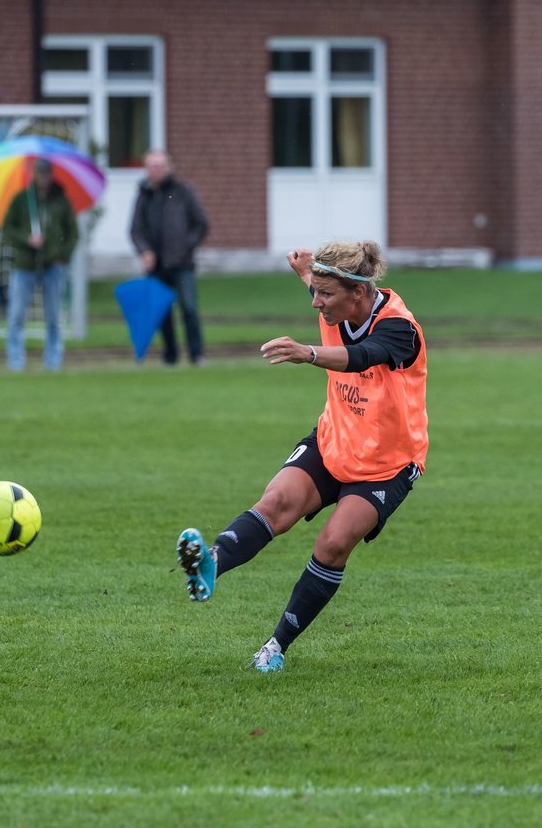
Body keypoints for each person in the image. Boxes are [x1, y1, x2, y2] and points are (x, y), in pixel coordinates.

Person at [175, 240, 428, 673]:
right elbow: (320, 280)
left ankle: (275, 647)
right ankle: (210, 565)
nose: (316, 302)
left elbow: (363, 355)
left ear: (359, 292)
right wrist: (305, 270)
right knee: (275, 504)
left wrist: (308, 353)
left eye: (325, 295)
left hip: (387, 465)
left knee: (332, 545)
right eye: (314, 291)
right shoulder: (338, 298)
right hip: (333, 441)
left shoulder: (400, 328)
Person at [129, 149, 210, 366]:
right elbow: (136, 230)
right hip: (156, 265)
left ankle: (196, 354)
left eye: (159, 166)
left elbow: (201, 224)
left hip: (182, 262)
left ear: (168, 168)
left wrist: (185, 246)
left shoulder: (183, 191)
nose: (155, 171)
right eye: (151, 167)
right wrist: (145, 251)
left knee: (189, 308)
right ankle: (170, 355)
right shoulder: (144, 194)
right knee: (162, 312)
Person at [2, 159, 77, 372]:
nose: (43, 177)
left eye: (47, 173)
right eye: (40, 173)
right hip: (24, 266)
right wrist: (27, 239)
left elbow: (73, 234)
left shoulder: (61, 201)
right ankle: (16, 361)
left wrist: (62, 255)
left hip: (52, 266)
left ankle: (53, 361)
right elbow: (8, 229)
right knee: (16, 315)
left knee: (53, 316)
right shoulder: (21, 200)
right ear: (33, 174)